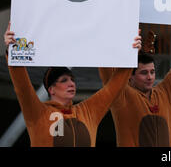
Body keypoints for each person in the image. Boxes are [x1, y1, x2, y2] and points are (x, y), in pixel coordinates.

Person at [3, 22, 141, 147]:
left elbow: (115, 86)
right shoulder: (37, 112)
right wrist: (13, 50)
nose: (71, 84)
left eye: (72, 80)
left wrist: (130, 53)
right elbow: (22, 87)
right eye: (64, 80)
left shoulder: (88, 111)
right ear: (51, 89)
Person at [98, 13, 171, 147]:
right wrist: (126, 52)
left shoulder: (165, 93)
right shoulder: (122, 96)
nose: (150, 77)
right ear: (130, 76)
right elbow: (107, 72)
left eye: (152, 72)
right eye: (143, 73)